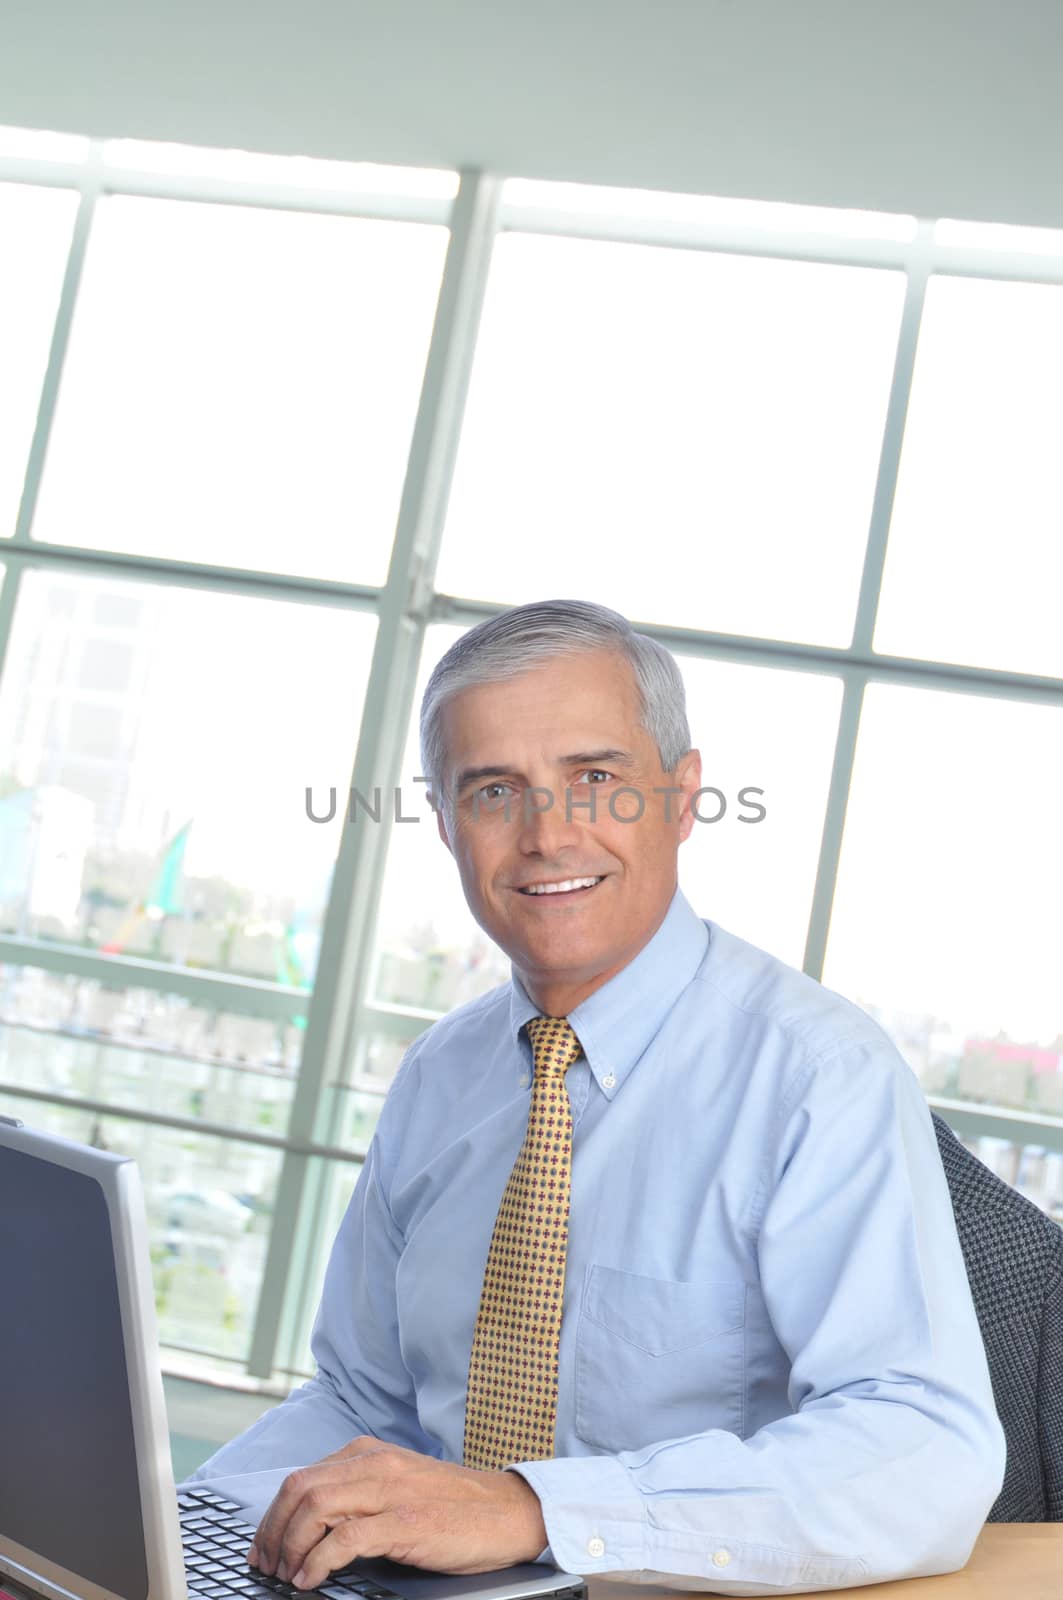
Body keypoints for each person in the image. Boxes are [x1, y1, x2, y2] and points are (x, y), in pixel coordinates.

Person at [189, 599, 1005, 1594]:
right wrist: (186, 1527)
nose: (545, 834)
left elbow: (925, 1449)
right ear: (446, 826)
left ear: (682, 796)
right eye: (494, 791)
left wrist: (535, 1510)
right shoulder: (439, 1076)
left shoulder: (815, 1076)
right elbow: (366, 1396)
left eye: (596, 780)